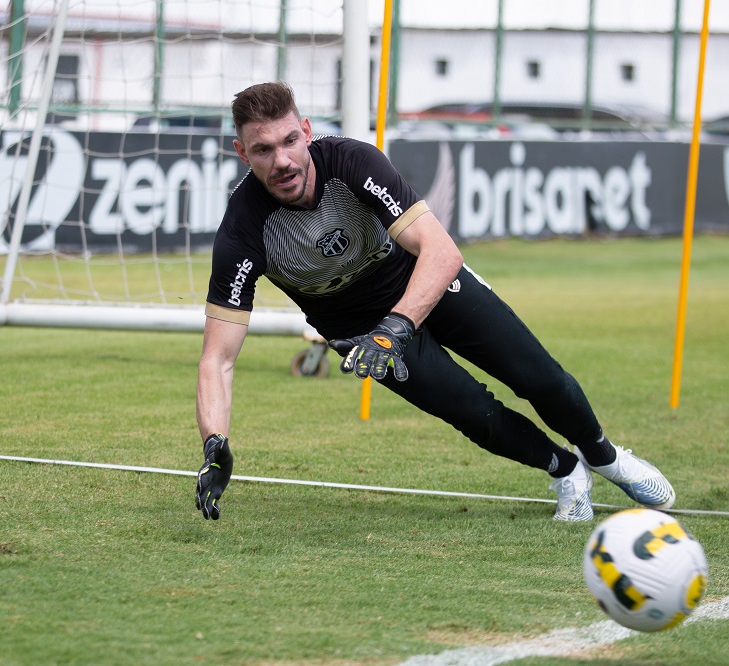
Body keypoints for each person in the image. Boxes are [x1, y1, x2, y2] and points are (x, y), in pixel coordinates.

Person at [194, 81, 674, 522]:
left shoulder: (353, 162)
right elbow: (218, 359)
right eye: (263, 149)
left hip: (426, 285)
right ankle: (566, 471)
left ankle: (604, 455)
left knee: (538, 376)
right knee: (471, 411)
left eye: (288, 142)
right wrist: (215, 446)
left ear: (306, 132)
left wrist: (397, 326)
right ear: (242, 154)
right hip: (361, 332)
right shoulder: (242, 230)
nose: (281, 161)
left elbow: (441, 251)